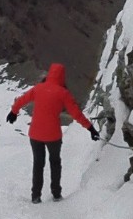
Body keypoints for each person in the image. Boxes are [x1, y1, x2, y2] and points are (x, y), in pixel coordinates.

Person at [8, 62, 98, 202]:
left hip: (35, 134)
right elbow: (76, 114)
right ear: (62, 77)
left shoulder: (38, 88)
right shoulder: (63, 93)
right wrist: (90, 128)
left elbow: (21, 100)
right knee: (55, 162)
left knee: (38, 163)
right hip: (53, 136)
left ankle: (36, 196)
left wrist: (13, 112)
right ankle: (56, 193)